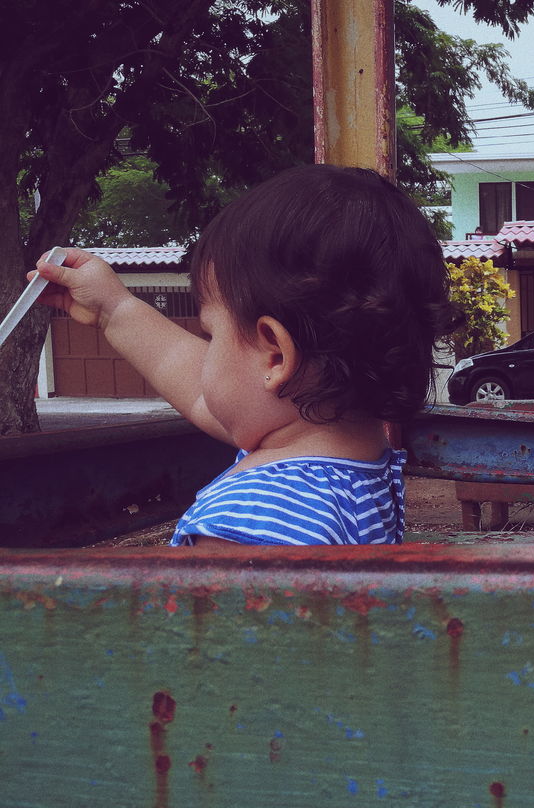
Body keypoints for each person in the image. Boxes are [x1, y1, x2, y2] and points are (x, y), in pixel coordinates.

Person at [31, 164, 457, 548]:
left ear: (274, 358)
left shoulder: (256, 524)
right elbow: (203, 388)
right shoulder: (353, 456)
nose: (205, 354)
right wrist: (114, 308)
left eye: (211, 335)